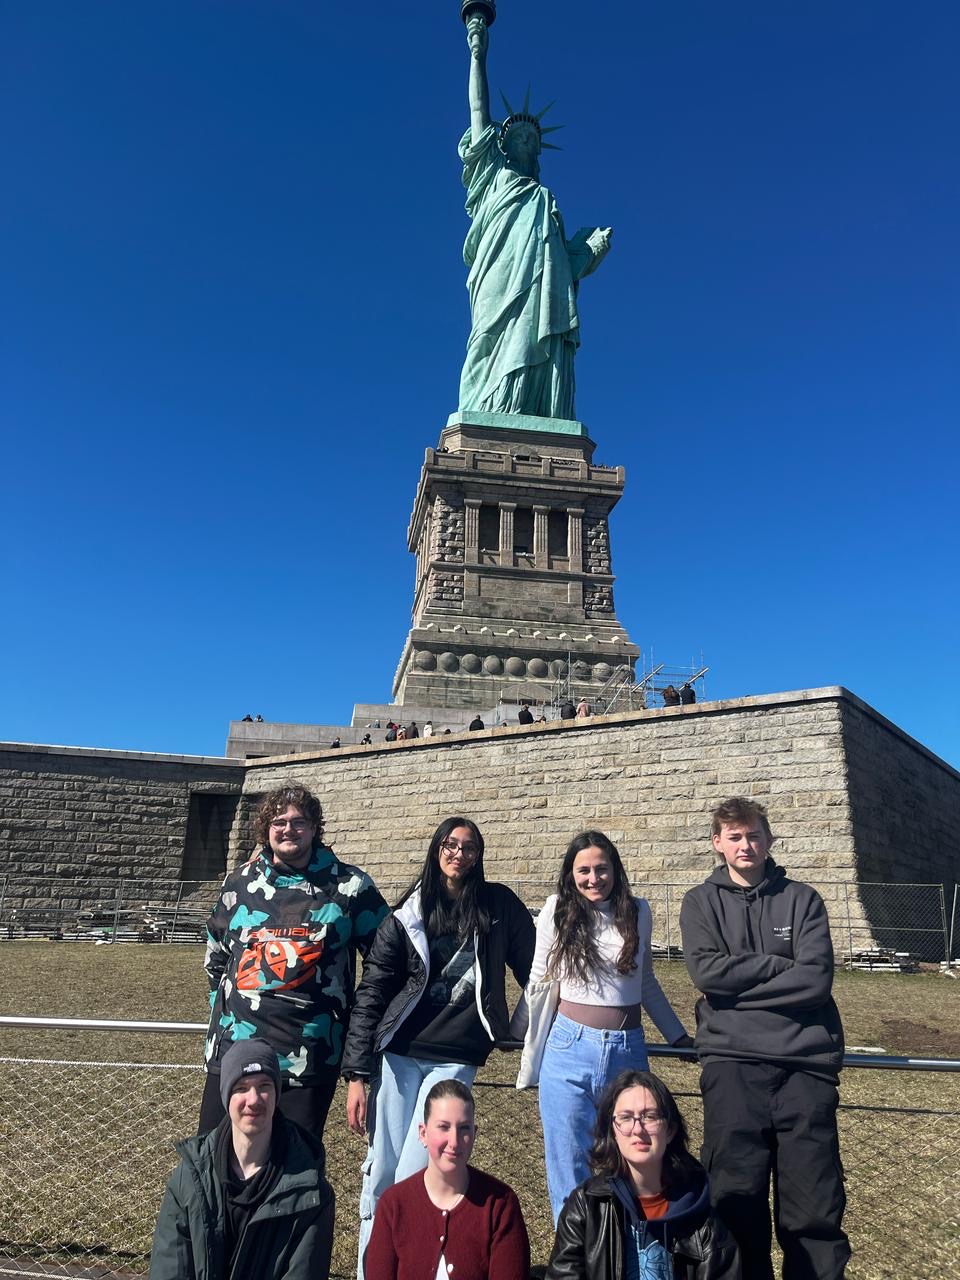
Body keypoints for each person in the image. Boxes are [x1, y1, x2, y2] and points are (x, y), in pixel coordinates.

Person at [341, 816, 535, 1276]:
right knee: (382, 1169)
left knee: (415, 1167)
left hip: (455, 1057)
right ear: (436, 850)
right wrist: (356, 1074)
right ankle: (373, 1267)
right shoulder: (410, 910)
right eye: (450, 845)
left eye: (469, 847)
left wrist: (522, 1028)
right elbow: (373, 990)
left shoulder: (498, 905)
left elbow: (536, 971)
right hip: (400, 1055)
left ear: (479, 855)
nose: (459, 854)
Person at [679, 798, 849, 1280]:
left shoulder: (804, 899)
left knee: (812, 1206)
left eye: (753, 835)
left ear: (769, 839)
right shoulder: (699, 902)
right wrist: (779, 966)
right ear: (718, 844)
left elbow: (815, 981)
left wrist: (736, 991)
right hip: (732, 1065)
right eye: (734, 837)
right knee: (735, 1200)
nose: (745, 845)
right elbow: (706, 973)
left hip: (805, 1068)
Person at [201, 783, 388, 1141]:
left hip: (309, 1059)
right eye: (279, 821)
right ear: (265, 828)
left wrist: (360, 1041)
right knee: (214, 1161)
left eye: (299, 821)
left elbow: (386, 964)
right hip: (234, 1053)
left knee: (293, 1173)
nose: (288, 829)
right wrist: (222, 1010)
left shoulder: (350, 887)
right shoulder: (238, 883)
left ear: (315, 827)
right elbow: (216, 957)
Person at [529, 831, 691, 1223]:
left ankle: (629, 1251)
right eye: (583, 870)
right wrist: (519, 1034)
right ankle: (575, 1259)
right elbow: (538, 979)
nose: (593, 878)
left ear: (615, 870)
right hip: (568, 1048)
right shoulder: (556, 909)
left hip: (627, 1050)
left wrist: (678, 1035)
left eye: (602, 869)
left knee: (636, 1162)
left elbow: (645, 981)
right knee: (569, 1165)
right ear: (570, 875)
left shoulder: (638, 911)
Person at [458, 15, 612, 420]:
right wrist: (478, 53)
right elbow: (479, 109)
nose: (526, 142)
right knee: (486, 340)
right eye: (518, 137)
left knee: (537, 333)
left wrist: (588, 252)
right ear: (503, 144)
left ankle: (534, 413)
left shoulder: (545, 199)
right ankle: (486, 410)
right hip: (498, 273)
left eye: (534, 140)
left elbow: (561, 268)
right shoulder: (491, 175)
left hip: (539, 289)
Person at [150, 1040, 335, 1280]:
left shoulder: (310, 1193)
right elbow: (169, 1269)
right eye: (241, 1088)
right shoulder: (190, 1176)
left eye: (264, 1085)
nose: (254, 1099)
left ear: (277, 1093)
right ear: (226, 1096)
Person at [546, 1069, 741, 1279]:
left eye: (650, 1116)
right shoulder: (586, 1206)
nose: (637, 1129)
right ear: (613, 1130)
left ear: (670, 1131)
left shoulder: (703, 1219)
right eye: (626, 1117)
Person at [364, 1078, 530, 1280]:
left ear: (474, 1134)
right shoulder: (394, 1204)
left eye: (464, 1129)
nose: (454, 1141)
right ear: (423, 1133)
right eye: (443, 1127)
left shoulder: (499, 1204)